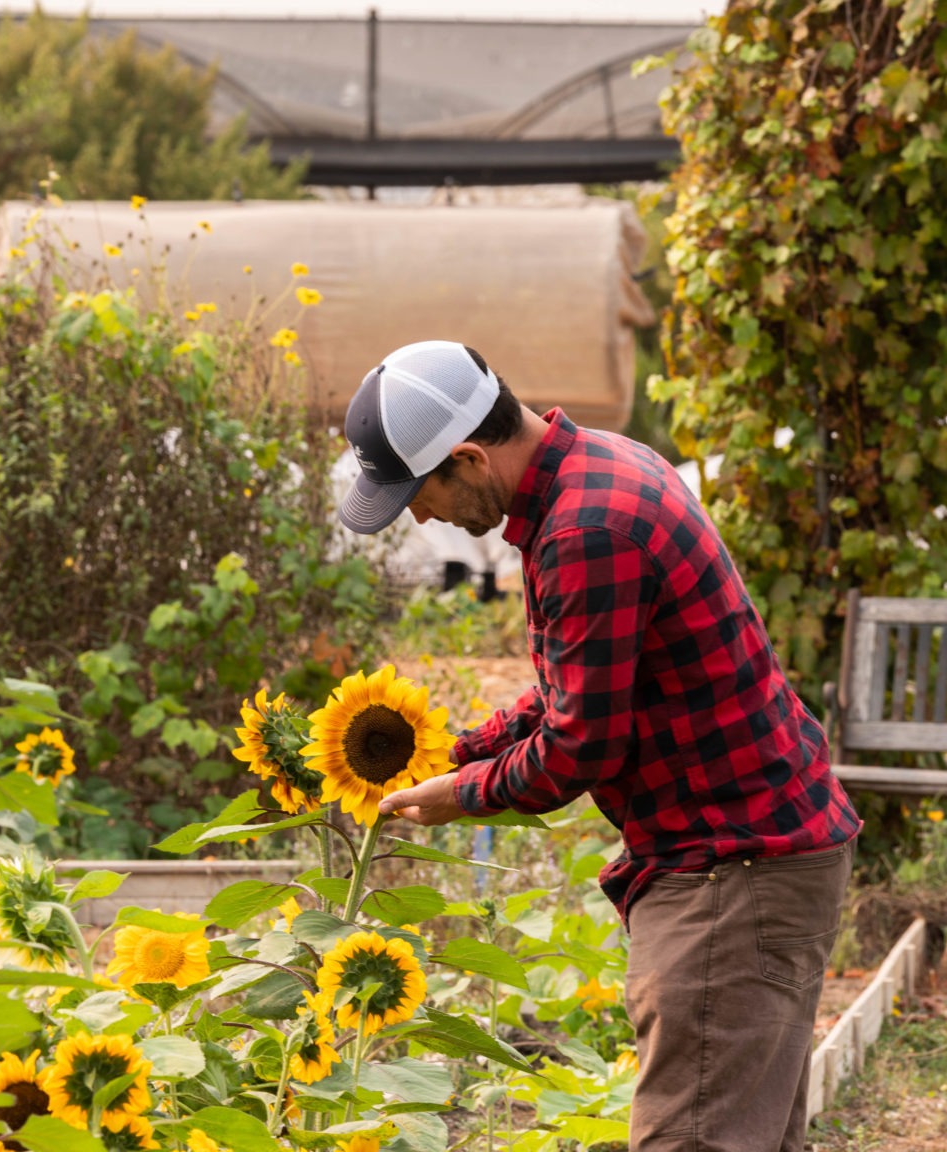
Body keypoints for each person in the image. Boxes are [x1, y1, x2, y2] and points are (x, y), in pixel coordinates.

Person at [339, 340, 863, 1152]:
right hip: (753, 850)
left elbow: (580, 747)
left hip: (731, 864)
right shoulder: (600, 468)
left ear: (470, 457)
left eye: (421, 491)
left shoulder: (587, 530)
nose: (419, 516)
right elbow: (574, 688)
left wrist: (458, 796)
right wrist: (455, 750)